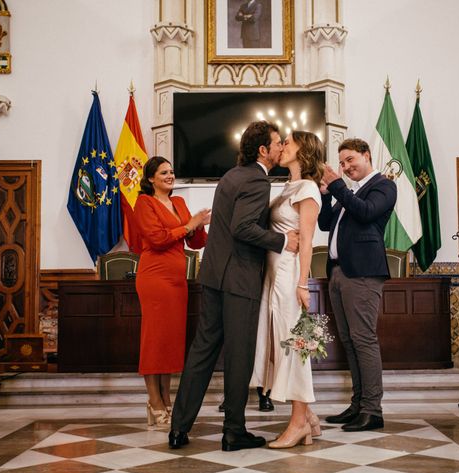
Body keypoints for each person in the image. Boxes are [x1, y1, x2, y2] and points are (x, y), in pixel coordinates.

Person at [169, 121, 299, 451]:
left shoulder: (231, 175)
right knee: (239, 354)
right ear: (263, 151)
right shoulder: (257, 179)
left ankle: (178, 428)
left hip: (213, 276)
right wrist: (283, 240)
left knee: (202, 352)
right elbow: (243, 228)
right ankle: (234, 431)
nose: (281, 146)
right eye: (276, 142)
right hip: (239, 278)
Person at [250, 131, 325, 448]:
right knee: (281, 345)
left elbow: (307, 240)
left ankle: (297, 425)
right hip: (272, 274)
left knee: (295, 347)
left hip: (289, 274)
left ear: (302, 151)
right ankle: (308, 419)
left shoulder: (308, 188)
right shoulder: (287, 187)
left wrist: (302, 283)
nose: (282, 148)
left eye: (288, 144)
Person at [318, 138, 397, 432]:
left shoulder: (384, 186)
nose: (347, 166)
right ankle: (357, 405)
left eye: (351, 159)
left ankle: (373, 410)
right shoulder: (349, 193)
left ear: (367, 155)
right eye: (342, 163)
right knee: (349, 341)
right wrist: (326, 194)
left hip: (363, 273)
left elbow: (365, 213)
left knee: (363, 339)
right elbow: (326, 224)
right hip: (338, 273)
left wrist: (337, 184)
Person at [134, 156, 211, 427]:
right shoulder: (144, 202)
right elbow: (157, 239)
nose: (170, 176)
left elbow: (196, 241)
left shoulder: (178, 202)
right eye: (164, 172)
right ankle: (154, 401)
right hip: (154, 277)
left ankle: (166, 400)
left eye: (171, 171)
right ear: (151, 178)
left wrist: (200, 224)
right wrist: (190, 225)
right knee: (154, 339)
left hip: (178, 278)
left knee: (169, 340)